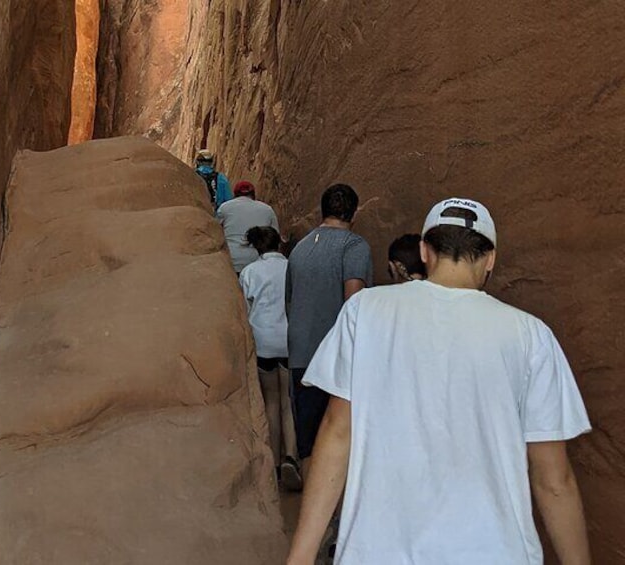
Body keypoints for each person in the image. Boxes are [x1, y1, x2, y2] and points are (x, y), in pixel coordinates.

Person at [288, 198, 592, 565]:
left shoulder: (365, 312)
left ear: (424, 251)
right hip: (495, 553)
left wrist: (301, 557)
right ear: (491, 258)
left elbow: (337, 433)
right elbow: (553, 480)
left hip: (379, 551)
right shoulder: (531, 336)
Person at [285, 184, 372, 479]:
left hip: (300, 354)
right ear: (354, 213)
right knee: (341, 439)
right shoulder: (354, 246)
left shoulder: (299, 249)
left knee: (309, 442)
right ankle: (338, 518)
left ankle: (316, 516)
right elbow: (354, 300)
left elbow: (290, 301)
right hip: (338, 358)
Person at [239, 226, 302, 491]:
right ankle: (291, 456)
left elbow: (246, 307)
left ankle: (274, 462)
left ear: (256, 247)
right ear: (280, 243)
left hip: (264, 340)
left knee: (271, 400)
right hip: (289, 339)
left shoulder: (250, 271)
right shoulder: (293, 267)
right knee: (289, 401)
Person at [216, 180, 279, 275]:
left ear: (235, 194)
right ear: (253, 194)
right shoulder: (267, 209)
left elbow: (215, 231)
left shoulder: (224, 207)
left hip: (232, 261)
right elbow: (276, 237)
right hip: (258, 262)